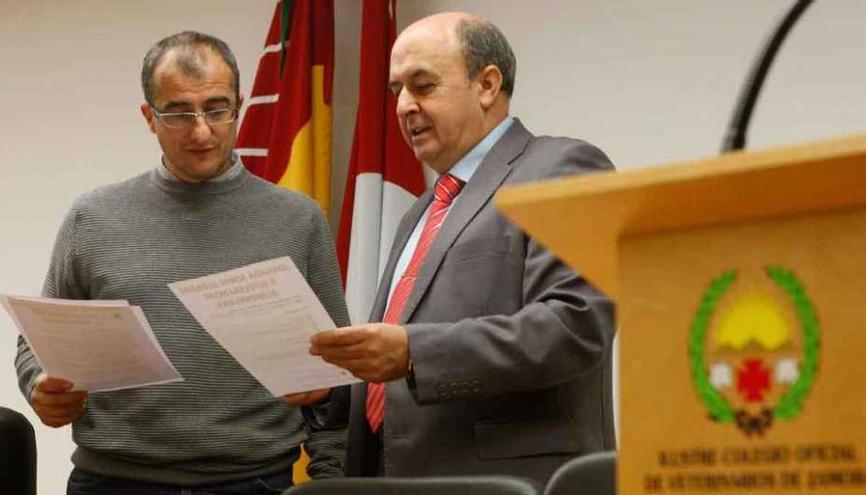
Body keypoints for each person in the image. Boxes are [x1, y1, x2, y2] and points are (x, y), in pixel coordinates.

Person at [14, 31, 349, 494]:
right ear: (149, 117)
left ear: (239, 106)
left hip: (256, 481)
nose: (201, 131)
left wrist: (331, 479)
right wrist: (40, 385)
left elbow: (336, 371)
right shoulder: (92, 216)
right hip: (113, 480)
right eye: (177, 113)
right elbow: (36, 340)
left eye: (217, 108)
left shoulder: (298, 220)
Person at [310, 12, 616, 484]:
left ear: (487, 84)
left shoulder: (561, 169)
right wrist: (329, 389)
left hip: (513, 484)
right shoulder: (420, 211)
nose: (404, 106)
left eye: (423, 85)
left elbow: (575, 325)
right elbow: (393, 378)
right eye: (396, 91)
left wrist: (415, 353)